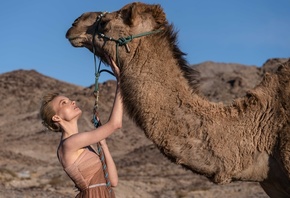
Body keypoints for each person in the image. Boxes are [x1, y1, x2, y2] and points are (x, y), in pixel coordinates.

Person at [40, 57, 122, 198]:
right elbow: (115, 124)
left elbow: (113, 181)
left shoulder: (82, 144)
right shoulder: (69, 144)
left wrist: (103, 144)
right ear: (56, 117)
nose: (72, 102)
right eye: (63, 102)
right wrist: (121, 82)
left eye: (70, 100)